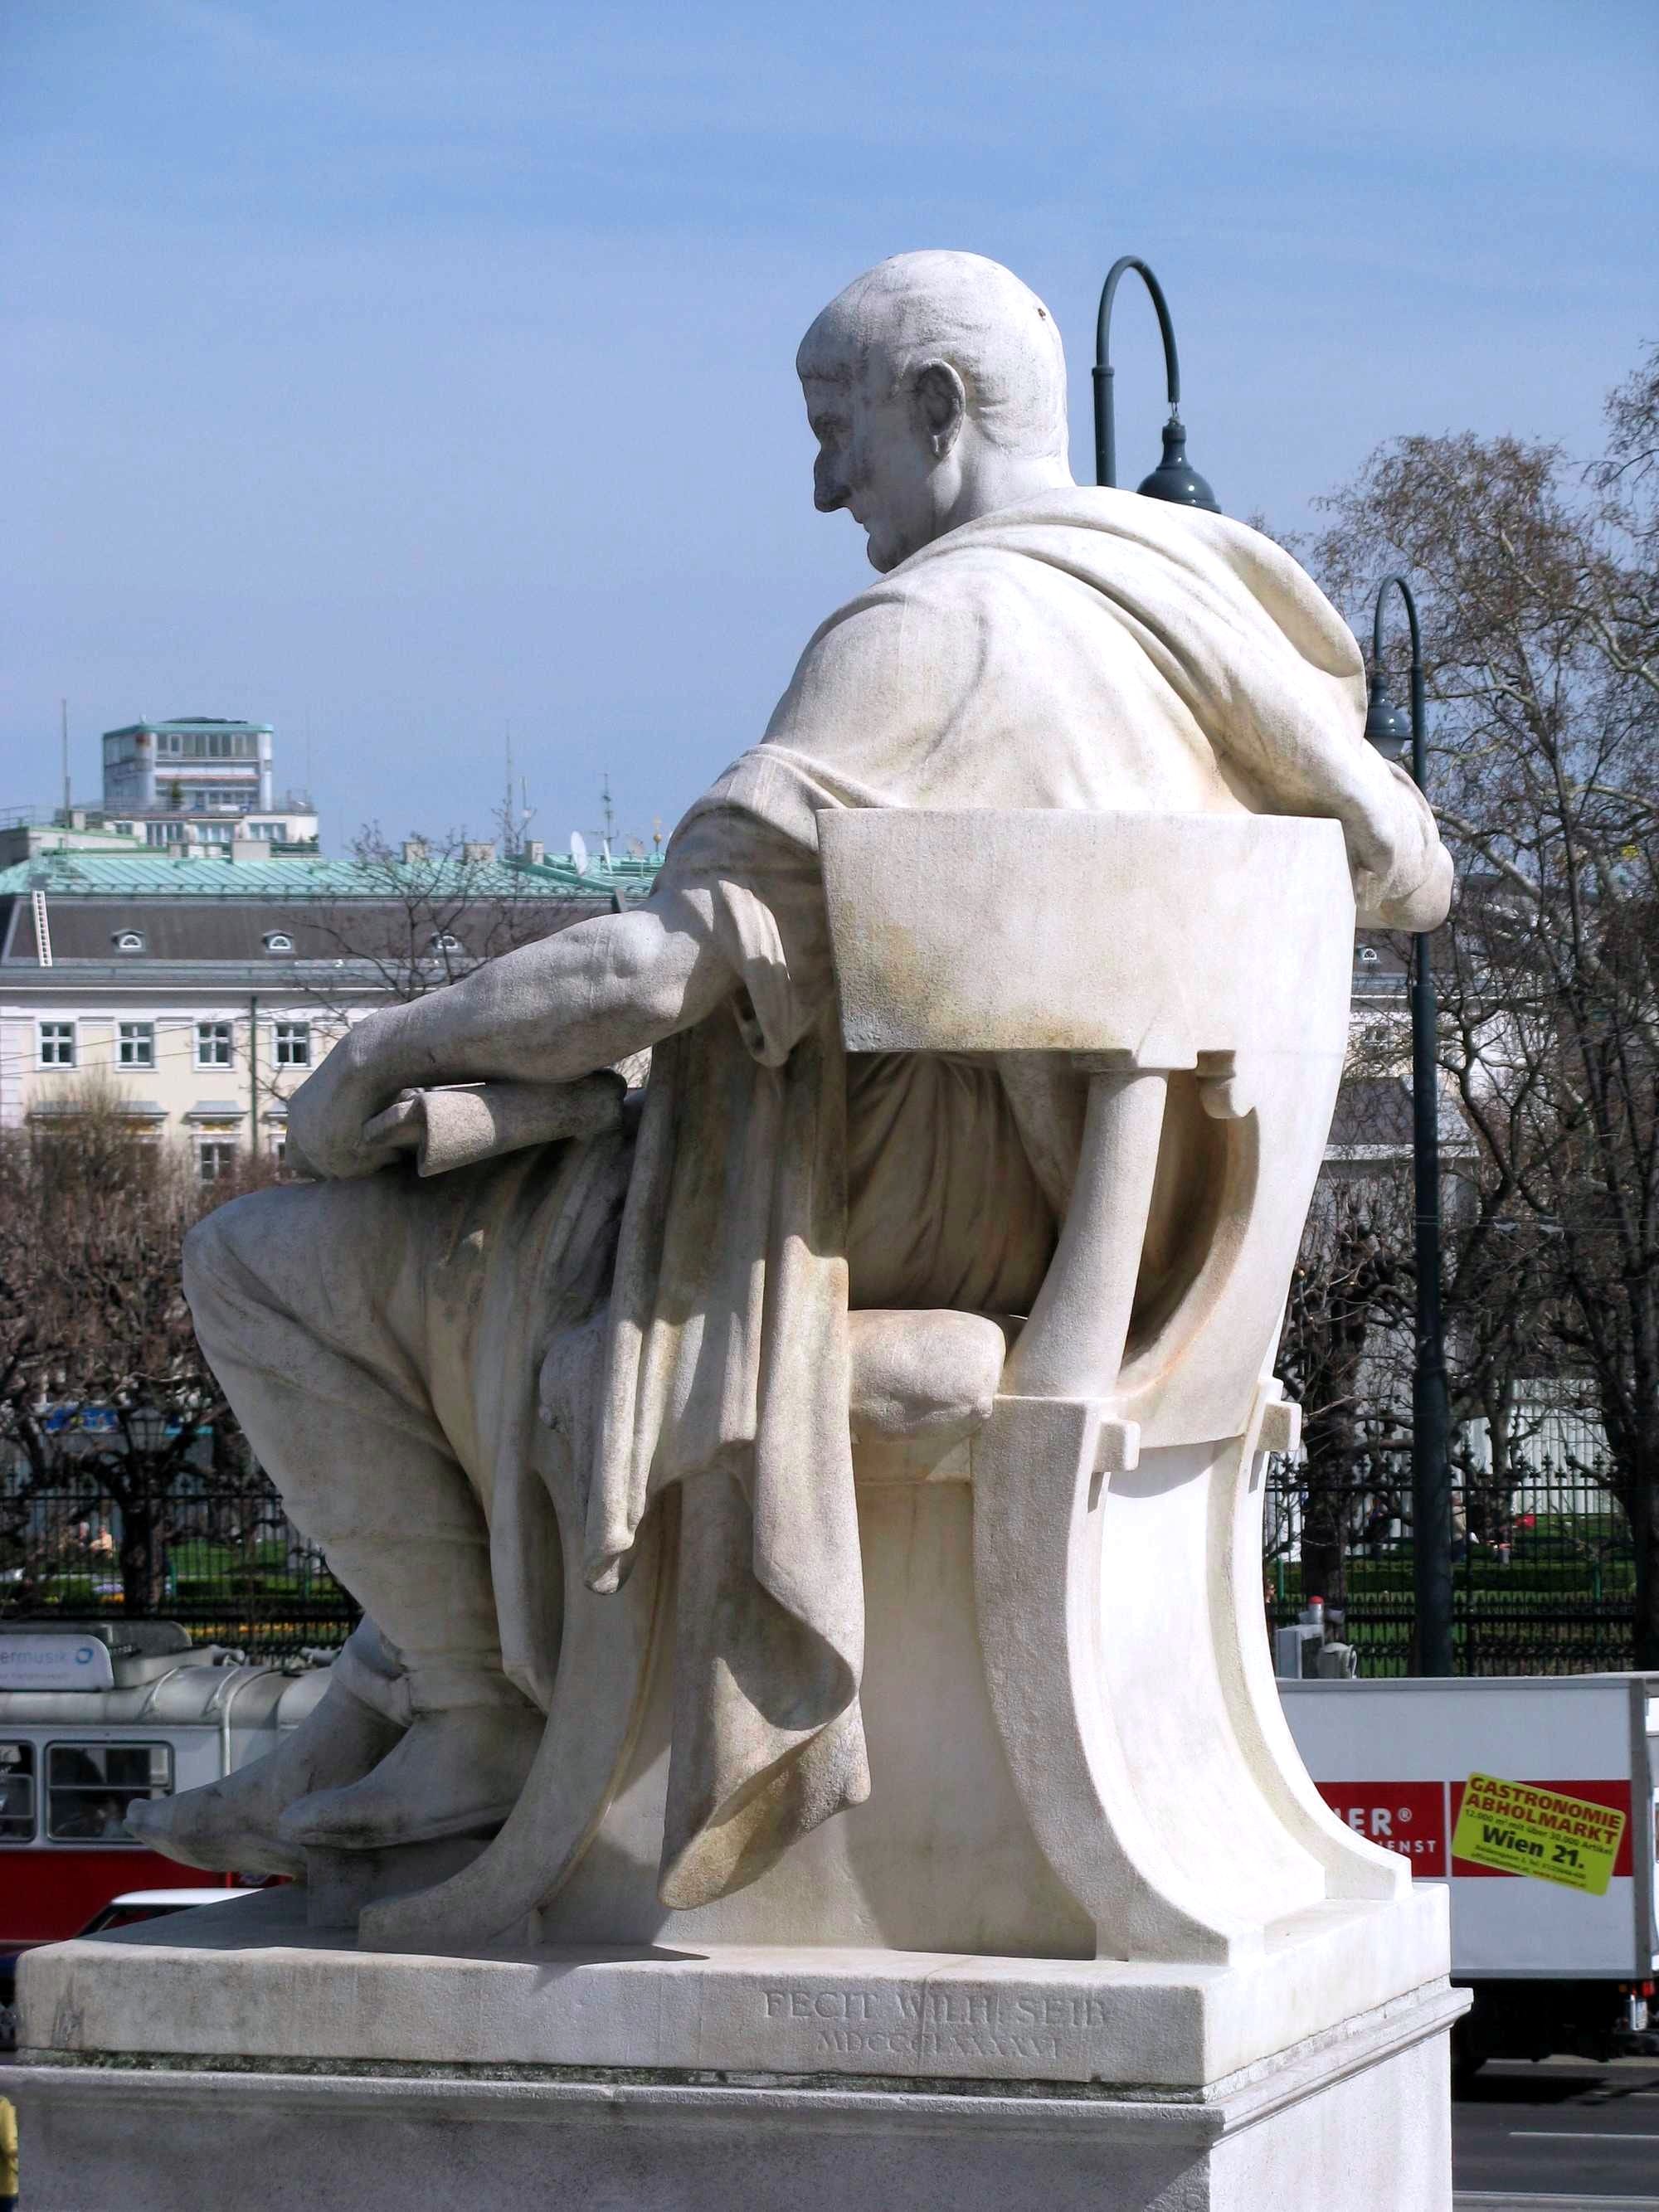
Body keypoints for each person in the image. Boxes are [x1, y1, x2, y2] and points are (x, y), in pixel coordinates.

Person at [134, 250, 1449, 1908]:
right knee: (492, 1221)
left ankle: (467, 1712)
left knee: (265, 1260)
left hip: (852, 1238)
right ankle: (381, 1718)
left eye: (840, 432)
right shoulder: (1205, 604)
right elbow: (1411, 863)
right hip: (1090, 1266)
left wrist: (385, 1050)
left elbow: (657, 969)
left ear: (937, 410)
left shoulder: (927, 636)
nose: (825, 483)